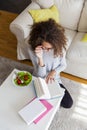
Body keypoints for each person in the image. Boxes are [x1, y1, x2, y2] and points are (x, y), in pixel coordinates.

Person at [28, 19, 73, 108]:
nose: (47, 50)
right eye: (44, 47)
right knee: (36, 105)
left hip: (54, 80)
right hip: (38, 79)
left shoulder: (60, 48)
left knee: (68, 103)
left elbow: (63, 65)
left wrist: (54, 72)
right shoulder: (32, 49)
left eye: (50, 48)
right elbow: (40, 75)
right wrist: (40, 58)